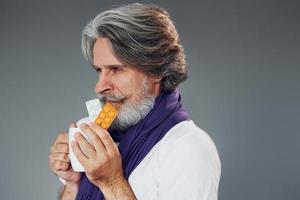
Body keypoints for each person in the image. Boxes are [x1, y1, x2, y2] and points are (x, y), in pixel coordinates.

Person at [48, 3, 221, 200]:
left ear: (155, 71)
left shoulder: (188, 147)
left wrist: (112, 182)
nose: (99, 87)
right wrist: (72, 183)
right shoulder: (90, 131)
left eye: (116, 69)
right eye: (99, 70)